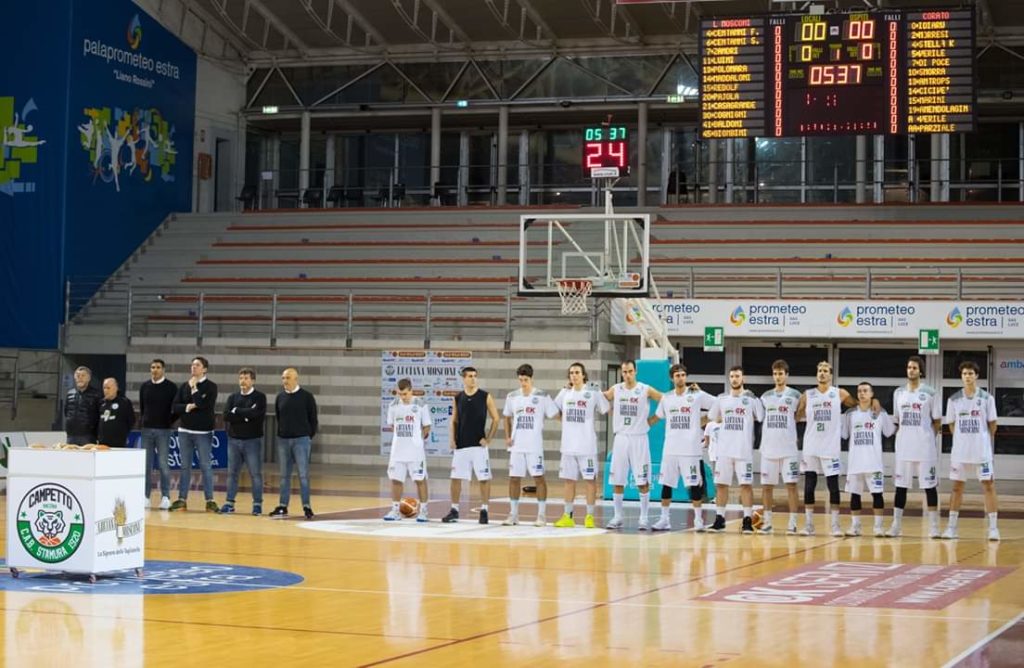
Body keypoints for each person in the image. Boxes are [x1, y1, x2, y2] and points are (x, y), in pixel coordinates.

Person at [796, 361, 859, 537]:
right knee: (809, 487)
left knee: (833, 487)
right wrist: (799, 406)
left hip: (831, 448)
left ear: (831, 375)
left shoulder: (839, 394)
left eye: (825, 371)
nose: (822, 374)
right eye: (819, 371)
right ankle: (809, 525)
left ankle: (835, 525)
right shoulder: (807, 395)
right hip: (811, 447)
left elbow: (858, 406)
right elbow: (797, 417)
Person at [649, 363, 715, 531]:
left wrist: (704, 419)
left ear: (686, 377)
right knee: (666, 485)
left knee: (694, 486)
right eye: (677, 375)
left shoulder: (696, 395)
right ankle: (664, 519)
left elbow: (716, 405)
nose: (680, 378)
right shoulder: (666, 398)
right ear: (672, 378)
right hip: (670, 449)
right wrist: (641, 425)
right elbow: (657, 417)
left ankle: (699, 519)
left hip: (690, 450)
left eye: (683, 375)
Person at [942, 361, 1000, 541]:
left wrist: (980, 439)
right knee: (957, 487)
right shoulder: (953, 399)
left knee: (988, 486)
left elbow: (993, 425)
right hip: (960, 452)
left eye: (970, 373)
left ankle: (993, 528)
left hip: (981, 451)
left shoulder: (987, 398)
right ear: (961, 377)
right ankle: (951, 528)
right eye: (964, 374)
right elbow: (951, 424)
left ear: (976, 376)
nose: (967, 376)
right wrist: (962, 439)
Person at [603, 360, 663, 530]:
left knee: (642, 480)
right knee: (617, 479)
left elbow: (665, 401)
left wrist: (653, 420)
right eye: (624, 372)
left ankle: (643, 518)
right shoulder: (616, 389)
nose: (627, 375)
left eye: (630, 371)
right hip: (621, 437)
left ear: (635, 371)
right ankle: (617, 516)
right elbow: (602, 398)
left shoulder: (645, 389)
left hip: (639, 438)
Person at [888, 356, 942, 538]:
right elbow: (896, 420)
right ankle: (896, 525)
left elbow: (937, 421)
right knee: (900, 487)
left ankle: (934, 526)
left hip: (925, 448)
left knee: (929, 487)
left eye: (914, 368)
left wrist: (928, 438)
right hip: (904, 447)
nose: (911, 370)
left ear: (921, 371)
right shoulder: (898, 393)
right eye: (909, 367)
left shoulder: (930, 392)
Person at [707, 366, 764, 534]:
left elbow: (760, 416)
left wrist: (755, 398)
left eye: (737, 376)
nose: (734, 379)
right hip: (724, 450)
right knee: (721, 485)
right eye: (731, 376)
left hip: (743, 450)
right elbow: (713, 417)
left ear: (743, 378)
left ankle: (747, 519)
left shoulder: (751, 399)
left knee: (746, 485)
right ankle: (720, 518)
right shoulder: (722, 399)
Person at [553, 363, 610, 529]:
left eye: (577, 372)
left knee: (590, 481)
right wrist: (564, 420)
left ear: (584, 375)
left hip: (587, 446)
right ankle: (568, 516)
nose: (574, 375)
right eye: (571, 373)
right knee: (569, 481)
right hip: (568, 446)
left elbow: (605, 408)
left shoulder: (592, 392)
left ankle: (590, 516)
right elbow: (553, 411)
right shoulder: (564, 393)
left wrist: (600, 392)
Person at [502, 363, 559, 527]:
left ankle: (541, 515)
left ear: (531, 379)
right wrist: (507, 436)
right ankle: (513, 514)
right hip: (517, 445)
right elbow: (506, 416)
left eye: (526, 380)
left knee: (539, 478)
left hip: (534, 445)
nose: (523, 383)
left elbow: (555, 414)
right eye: (520, 380)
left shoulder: (542, 396)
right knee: (514, 479)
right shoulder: (512, 396)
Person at [443, 367, 500, 524]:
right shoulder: (458, 397)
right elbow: (453, 420)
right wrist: (452, 439)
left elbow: (496, 418)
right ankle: (454, 510)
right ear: (463, 379)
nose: (473, 379)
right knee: (455, 478)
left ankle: (484, 510)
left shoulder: (485, 396)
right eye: (469, 376)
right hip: (461, 445)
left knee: (484, 478)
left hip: (478, 446)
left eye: (475, 376)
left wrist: (488, 439)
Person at [842, 382, 895, 537]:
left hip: (874, 462)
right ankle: (855, 526)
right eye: (859, 391)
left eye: (865, 391)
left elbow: (889, 431)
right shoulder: (850, 414)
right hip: (855, 462)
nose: (862, 393)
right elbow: (844, 434)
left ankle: (878, 527)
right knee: (854, 495)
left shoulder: (880, 413)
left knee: (877, 495)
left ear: (872, 394)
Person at [759, 360, 803, 535]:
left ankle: (792, 523)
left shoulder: (796, 395)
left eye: (781, 373)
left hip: (789, 449)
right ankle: (768, 522)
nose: (778, 376)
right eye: (775, 373)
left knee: (791, 486)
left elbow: (801, 416)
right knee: (766, 487)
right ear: (773, 375)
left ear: (787, 375)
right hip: (768, 449)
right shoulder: (765, 396)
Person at [170, 357, 219, 513]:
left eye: (197, 365)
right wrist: (188, 406)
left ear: (204, 369)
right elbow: (175, 407)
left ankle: (210, 500)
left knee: (205, 466)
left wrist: (194, 389)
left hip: (203, 432)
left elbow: (204, 405)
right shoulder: (184, 386)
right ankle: (182, 499)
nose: (193, 367)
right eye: (192, 365)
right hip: (185, 431)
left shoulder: (211, 387)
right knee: (184, 467)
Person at [270, 368, 318, 520]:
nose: (285, 381)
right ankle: (283, 505)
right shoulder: (280, 397)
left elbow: (313, 419)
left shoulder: (307, 397)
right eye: (283, 377)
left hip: (301, 440)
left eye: (288, 377)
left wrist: (307, 436)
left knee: (303, 475)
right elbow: (279, 416)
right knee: (284, 476)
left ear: (296, 379)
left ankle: (306, 506)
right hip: (283, 440)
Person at [383, 378, 431, 521]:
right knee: (396, 480)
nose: (402, 397)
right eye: (399, 394)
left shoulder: (420, 404)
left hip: (415, 451)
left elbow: (427, 425)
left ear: (411, 390)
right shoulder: (393, 405)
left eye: (404, 394)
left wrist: (417, 438)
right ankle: (395, 510)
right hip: (398, 450)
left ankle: (423, 511)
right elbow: (392, 425)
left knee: (420, 480)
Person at [221, 368, 267, 516]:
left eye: (246, 378)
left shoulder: (260, 397)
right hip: (234, 440)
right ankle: (229, 503)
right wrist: (246, 415)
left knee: (255, 474)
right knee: (232, 473)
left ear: (253, 380)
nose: (243, 381)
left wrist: (237, 411)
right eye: (241, 378)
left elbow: (257, 415)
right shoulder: (232, 397)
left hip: (252, 441)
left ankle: (257, 504)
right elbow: (226, 416)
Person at [139, 359, 177, 510]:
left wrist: (168, 422)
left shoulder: (171, 387)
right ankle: (145, 496)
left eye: (158, 367)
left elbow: (175, 409)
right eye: (152, 367)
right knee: (146, 465)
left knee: (163, 464)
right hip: (147, 430)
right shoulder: (144, 387)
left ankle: (166, 496)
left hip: (164, 430)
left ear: (163, 369)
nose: (155, 370)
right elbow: (142, 407)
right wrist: (144, 421)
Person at [64, 366, 102, 445]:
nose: (80, 378)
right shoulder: (70, 394)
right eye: (78, 376)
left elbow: (99, 416)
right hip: (71, 436)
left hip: (88, 436)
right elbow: (66, 412)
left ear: (89, 378)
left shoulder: (96, 395)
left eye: (83, 375)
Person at [97, 378, 135, 448]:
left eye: (108, 388)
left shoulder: (124, 403)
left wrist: (123, 433)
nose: (106, 390)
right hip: (102, 443)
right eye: (104, 388)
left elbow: (131, 420)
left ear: (116, 388)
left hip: (119, 442)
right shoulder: (101, 403)